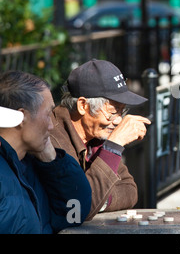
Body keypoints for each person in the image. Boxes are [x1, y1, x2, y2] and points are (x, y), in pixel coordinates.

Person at [50, 59, 151, 220]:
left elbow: (130, 190)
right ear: (83, 105)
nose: (118, 120)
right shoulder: (53, 140)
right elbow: (76, 209)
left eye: (122, 112)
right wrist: (113, 147)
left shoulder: (96, 136)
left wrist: (98, 200)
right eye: (112, 111)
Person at [0, 71, 91, 233]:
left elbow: (73, 216)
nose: (51, 126)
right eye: (48, 114)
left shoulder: (30, 164)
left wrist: (51, 159)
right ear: (22, 117)